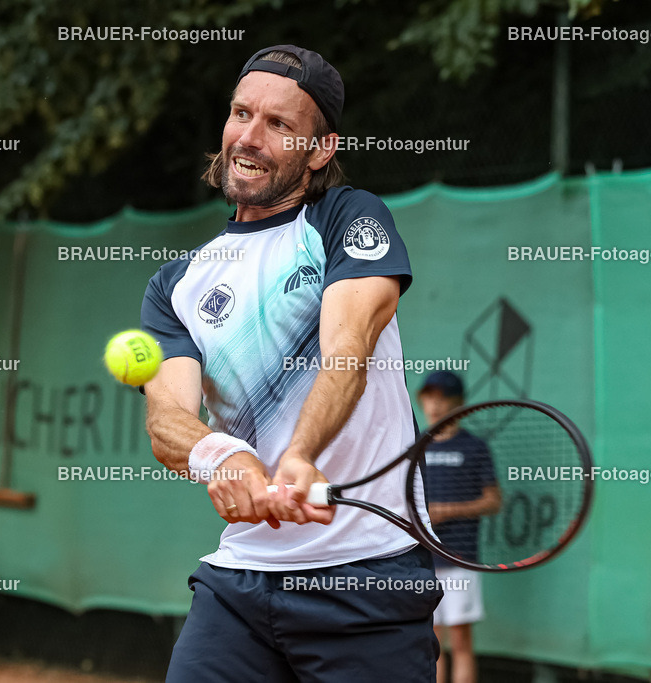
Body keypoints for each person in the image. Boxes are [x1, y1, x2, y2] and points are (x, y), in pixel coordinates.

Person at [140, 45, 441, 682]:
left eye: (279, 125)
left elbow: (348, 352)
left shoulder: (349, 220)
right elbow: (168, 419)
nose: (248, 137)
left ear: (321, 148)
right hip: (238, 587)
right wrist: (223, 456)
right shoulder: (176, 284)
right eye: (240, 113)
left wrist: (300, 453)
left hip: (367, 579)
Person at [417, 371, 502, 683]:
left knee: (461, 640)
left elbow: (494, 501)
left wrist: (450, 510)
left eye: (443, 398)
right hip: (424, 561)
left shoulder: (475, 447)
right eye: (429, 397)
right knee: (433, 642)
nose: (435, 405)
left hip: (461, 558)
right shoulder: (417, 446)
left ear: (460, 404)